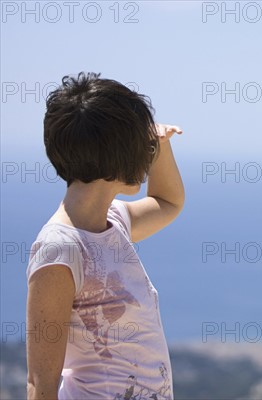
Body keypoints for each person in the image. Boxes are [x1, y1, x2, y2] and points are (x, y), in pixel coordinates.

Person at [25, 72, 184, 400]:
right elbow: (41, 384)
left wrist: (161, 144)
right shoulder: (60, 249)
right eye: (140, 143)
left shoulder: (115, 223)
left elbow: (168, 202)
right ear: (115, 152)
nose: (147, 151)